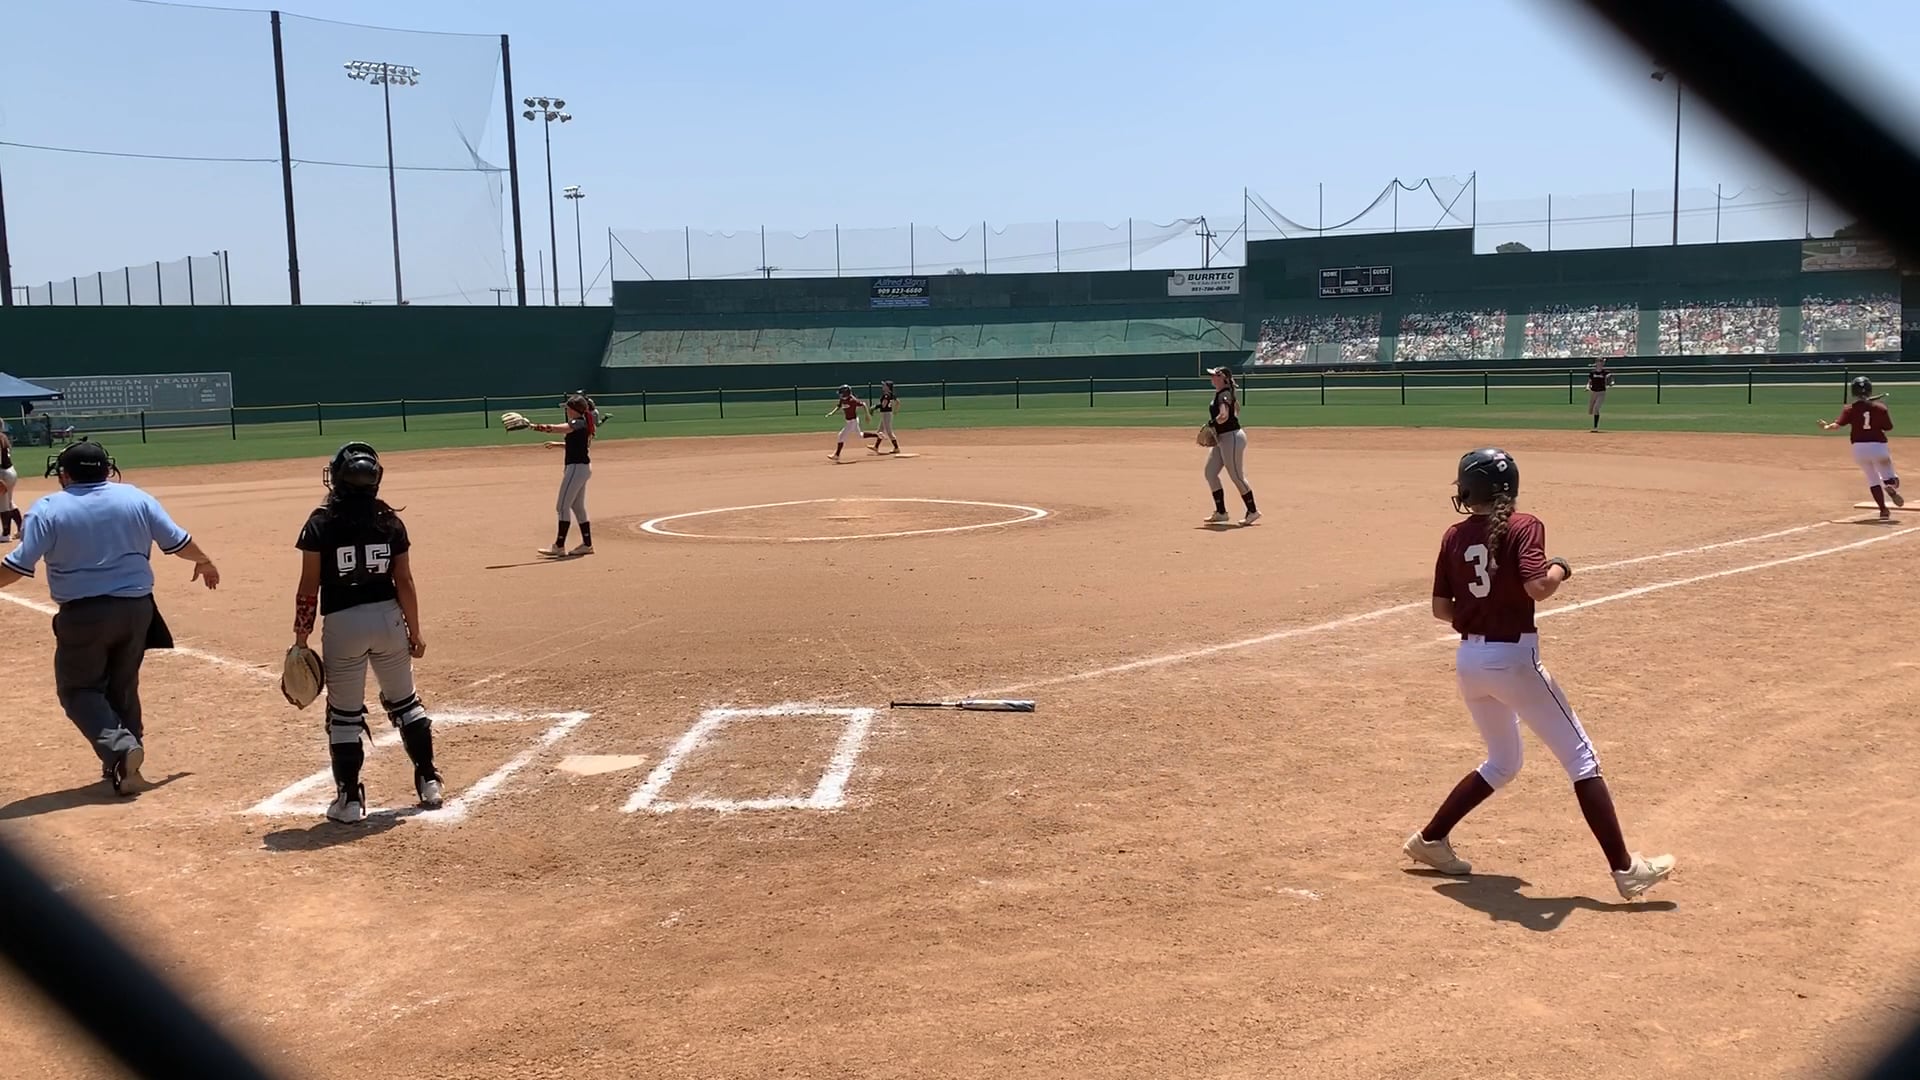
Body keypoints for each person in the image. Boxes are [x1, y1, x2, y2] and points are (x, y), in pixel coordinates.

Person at [1405, 447, 1675, 901]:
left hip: (1470, 662)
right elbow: (1538, 587)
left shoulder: (1454, 535)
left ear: (1468, 491)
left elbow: (1440, 609)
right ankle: (1626, 870)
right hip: (1513, 660)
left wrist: (1479, 617)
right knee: (1582, 759)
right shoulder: (1523, 525)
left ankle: (1431, 840)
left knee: (1503, 761)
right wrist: (1561, 568)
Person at [0, 441, 220, 795]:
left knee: (78, 689)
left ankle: (121, 750)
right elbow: (178, 541)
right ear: (107, 469)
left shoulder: (49, 508)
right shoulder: (136, 498)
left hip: (84, 613)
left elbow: (18, 565)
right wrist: (204, 561)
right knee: (122, 685)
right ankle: (126, 763)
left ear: (64, 475)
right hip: (137, 609)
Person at [293, 442, 441, 824]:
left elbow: (309, 587)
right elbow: (404, 581)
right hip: (388, 619)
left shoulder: (320, 522)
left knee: (344, 716)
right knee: (406, 703)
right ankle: (429, 781)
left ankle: (349, 801)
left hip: (343, 624)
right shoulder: (390, 520)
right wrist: (415, 632)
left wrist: (301, 636)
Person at [1819, 375, 1900, 522]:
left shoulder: (1849, 409)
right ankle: (1889, 485)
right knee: (1892, 479)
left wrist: (1825, 426)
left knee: (1872, 479)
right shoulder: (1880, 408)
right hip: (1878, 447)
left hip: (1859, 449)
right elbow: (1888, 427)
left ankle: (1883, 510)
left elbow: (1835, 426)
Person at [526, 394, 596, 558]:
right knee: (577, 507)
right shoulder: (582, 423)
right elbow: (578, 445)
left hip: (576, 469)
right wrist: (559, 444)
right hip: (581, 468)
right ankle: (587, 545)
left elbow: (559, 428)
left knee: (562, 506)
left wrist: (533, 426)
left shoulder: (577, 422)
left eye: (568, 408)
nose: (566, 410)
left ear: (574, 409)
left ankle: (559, 546)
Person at [1201, 366, 1258, 526]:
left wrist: (1213, 423)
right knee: (1210, 472)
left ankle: (1253, 511)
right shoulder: (1223, 393)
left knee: (1236, 476)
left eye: (1215, 375)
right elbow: (1236, 410)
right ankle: (1221, 513)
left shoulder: (1224, 394)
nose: (1212, 378)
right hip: (1223, 438)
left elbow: (1224, 415)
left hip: (1231, 438)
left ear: (1223, 378)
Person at [825, 385, 877, 462]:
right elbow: (839, 406)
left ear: (845, 393)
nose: (840, 395)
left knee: (841, 436)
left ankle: (837, 455)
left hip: (852, 421)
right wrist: (832, 412)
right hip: (850, 421)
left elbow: (863, 404)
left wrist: (867, 415)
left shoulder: (852, 400)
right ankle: (878, 435)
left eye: (841, 393)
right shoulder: (843, 399)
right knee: (860, 435)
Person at [0, 420, 18, 542]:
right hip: (10, 471)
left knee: (3, 506)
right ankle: (22, 529)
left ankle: (6, 534)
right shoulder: (3, 436)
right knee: (9, 502)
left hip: (3, 473)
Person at [1587, 358, 1615, 432]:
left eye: (1601, 362)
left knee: (1596, 408)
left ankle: (1595, 427)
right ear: (1596, 363)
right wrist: (1587, 386)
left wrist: (1612, 382)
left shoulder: (1605, 372)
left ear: (1603, 363)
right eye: (1598, 362)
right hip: (1593, 392)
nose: (1599, 363)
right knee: (1591, 411)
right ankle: (1594, 426)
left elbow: (1611, 378)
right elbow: (1589, 381)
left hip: (1601, 392)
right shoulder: (1592, 372)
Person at [874, 380, 901, 454]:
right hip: (887, 414)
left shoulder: (886, 394)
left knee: (889, 432)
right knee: (880, 431)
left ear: (888, 387)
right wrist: (895, 411)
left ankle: (896, 448)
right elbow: (898, 402)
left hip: (886, 414)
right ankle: (876, 447)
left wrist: (875, 407)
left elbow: (883, 405)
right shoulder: (891, 394)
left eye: (884, 385)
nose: (883, 386)